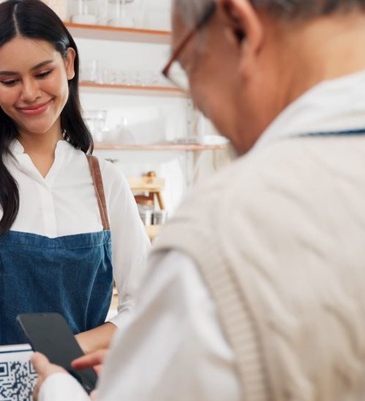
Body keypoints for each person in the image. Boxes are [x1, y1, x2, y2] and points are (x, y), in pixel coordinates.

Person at [32, 0, 365, 399]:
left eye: (188, 67)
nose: (201, 102)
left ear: (239, 27)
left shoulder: (225, 231)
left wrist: (56, 388)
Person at [0, 0, 151, 382]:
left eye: (43, 73)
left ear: (69, 64)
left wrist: (61, 356)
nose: (29, 93)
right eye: (9, 80)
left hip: (76, 387)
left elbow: (146, 306)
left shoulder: (106, 181)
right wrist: (11, 368)